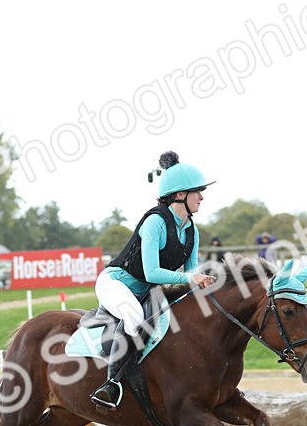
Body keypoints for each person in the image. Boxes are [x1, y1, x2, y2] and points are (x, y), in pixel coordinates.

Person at [90, 150, 217, 408]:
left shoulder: (192, 230)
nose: (202, 197)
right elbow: (152, 273)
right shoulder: (155, 222)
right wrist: (193, 277)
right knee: (135, 317)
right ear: (180, 195)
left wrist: (204, 286)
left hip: (147, 291)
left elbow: (189, 276)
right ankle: (111, 384)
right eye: (197, 192)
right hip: (117, 283)